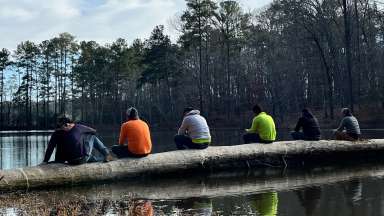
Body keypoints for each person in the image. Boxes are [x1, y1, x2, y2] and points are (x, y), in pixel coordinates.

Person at [43, 115, 113, 165]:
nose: (59, 129)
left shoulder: (55, 133)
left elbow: (50, 148)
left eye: (61, 127)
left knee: (91, 156)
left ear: (67, 124)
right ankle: (107, 154)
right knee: (92, 137)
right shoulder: (78, 127)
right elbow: (94, 131)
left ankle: (98, 159)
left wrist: (45, 161)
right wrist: (82, 135)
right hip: (80, 159)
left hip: (67, 161)